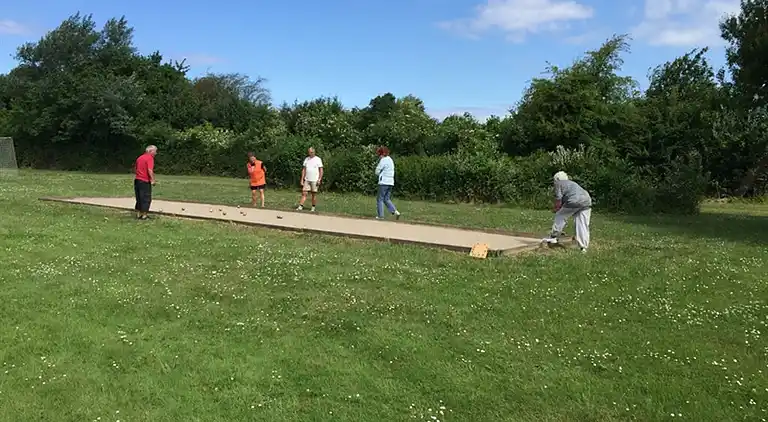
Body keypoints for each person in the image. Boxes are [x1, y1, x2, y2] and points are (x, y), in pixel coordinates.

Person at [547, 171, 591, 252]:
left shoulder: (558, 184)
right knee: (582, 224)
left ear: (556, 179)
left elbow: (558, 200)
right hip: (587, 200)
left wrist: (556, 209)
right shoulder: (572, 183)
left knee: (560, 216)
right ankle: (583, 247)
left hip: (574, 201)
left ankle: (553, 237)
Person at [374, 146, 401, 220]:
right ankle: (395, 212)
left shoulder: (383, 160)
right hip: (391, 182)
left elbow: (377, 171)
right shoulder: (390, 159)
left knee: (380, 199)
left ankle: (380, 216)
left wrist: (378, 172)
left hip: (383, 182)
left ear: (381, 153)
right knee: (386, 199)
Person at [134, 145, 157, 220]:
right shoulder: (150, 158)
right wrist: (153, 180)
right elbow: (150, 170)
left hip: (137, 180)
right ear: (150, 151)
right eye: (155, 151)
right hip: (144, 180)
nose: (156, 153)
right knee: (146, 198)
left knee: (139, 197)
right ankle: (144, 215)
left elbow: (136, 169)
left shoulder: (139, 158)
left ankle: (138, 214)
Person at [296, 147, 323, 212]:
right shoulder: (307, 159)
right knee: (304, 192)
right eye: (309, 152)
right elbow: (304, 170)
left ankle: (313, 207)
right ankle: (300, 206)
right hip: (307, 179)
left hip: (314, 179)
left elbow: (321, 170)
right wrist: (302, 179)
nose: (310, 153)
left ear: (314, 152)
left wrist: (319, 179)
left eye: (312, 152)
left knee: (313, 194)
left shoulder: (318, 159)